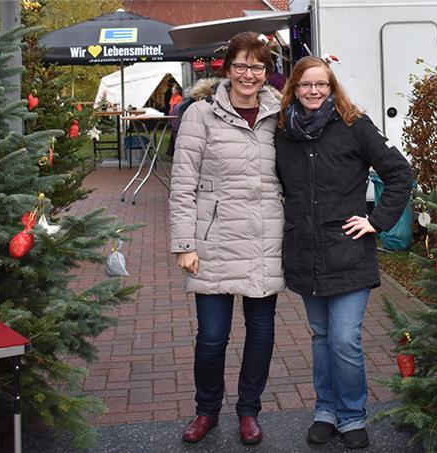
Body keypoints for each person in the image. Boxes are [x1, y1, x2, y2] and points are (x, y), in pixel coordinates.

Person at [275, 56, 413, 449]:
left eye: (321, 84)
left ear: (332, 86)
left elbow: (400, 174)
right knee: (321, 337)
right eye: (305, 85)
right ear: (294, 90)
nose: (313, 91)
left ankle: (352, 415)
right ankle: (326, 411)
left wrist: (377, 220)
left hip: (348, 251)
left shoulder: (355, 125)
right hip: (306, 251)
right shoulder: (284, 131)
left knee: (345, 339)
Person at [169, 31, 283, 445]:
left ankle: (249, 411)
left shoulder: (279, 114)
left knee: (261, 333)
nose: (248, 74)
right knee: (212, 337)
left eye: (257, 66)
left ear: (267, 72)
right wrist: (184, 244)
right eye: (241, 66)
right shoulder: (200, 114)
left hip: (265, 237)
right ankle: (207, 410)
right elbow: (183, 184)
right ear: (227, 69)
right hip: (213, 239)